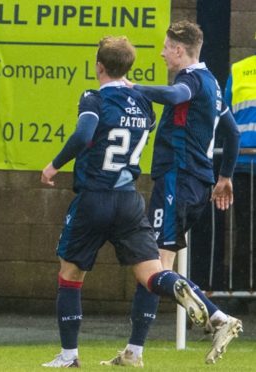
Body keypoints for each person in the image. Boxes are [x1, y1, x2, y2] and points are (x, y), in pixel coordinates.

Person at [40, 35, 222, 368]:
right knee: (153, 273)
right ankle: (184, 292)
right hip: (129, 200)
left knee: (70, 274)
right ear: (129, 67)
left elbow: (84, 135)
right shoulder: (143, 105)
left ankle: (69, 356)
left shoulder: (94, 99)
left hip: (94, 197)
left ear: (99, 66)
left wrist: (53, 166)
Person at [102, 20, 242, 367]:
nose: (163, 53)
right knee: (156, 267)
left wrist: (136, 88)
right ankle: (134, 352)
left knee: (154, 267)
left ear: (180, 50)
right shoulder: (212, 82)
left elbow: (177, 96)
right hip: (198, 183)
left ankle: (218, 318)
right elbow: (234, 134)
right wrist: (225, 177)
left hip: (176, 181)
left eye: (166, 47)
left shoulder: (190, 81)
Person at [224, 51, 256, 296]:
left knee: (243, 229)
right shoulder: (239, 70)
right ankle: (243, 290)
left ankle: (243, 290)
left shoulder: (239, 70)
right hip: (244, 164)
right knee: (244, 229)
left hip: (243, 162)